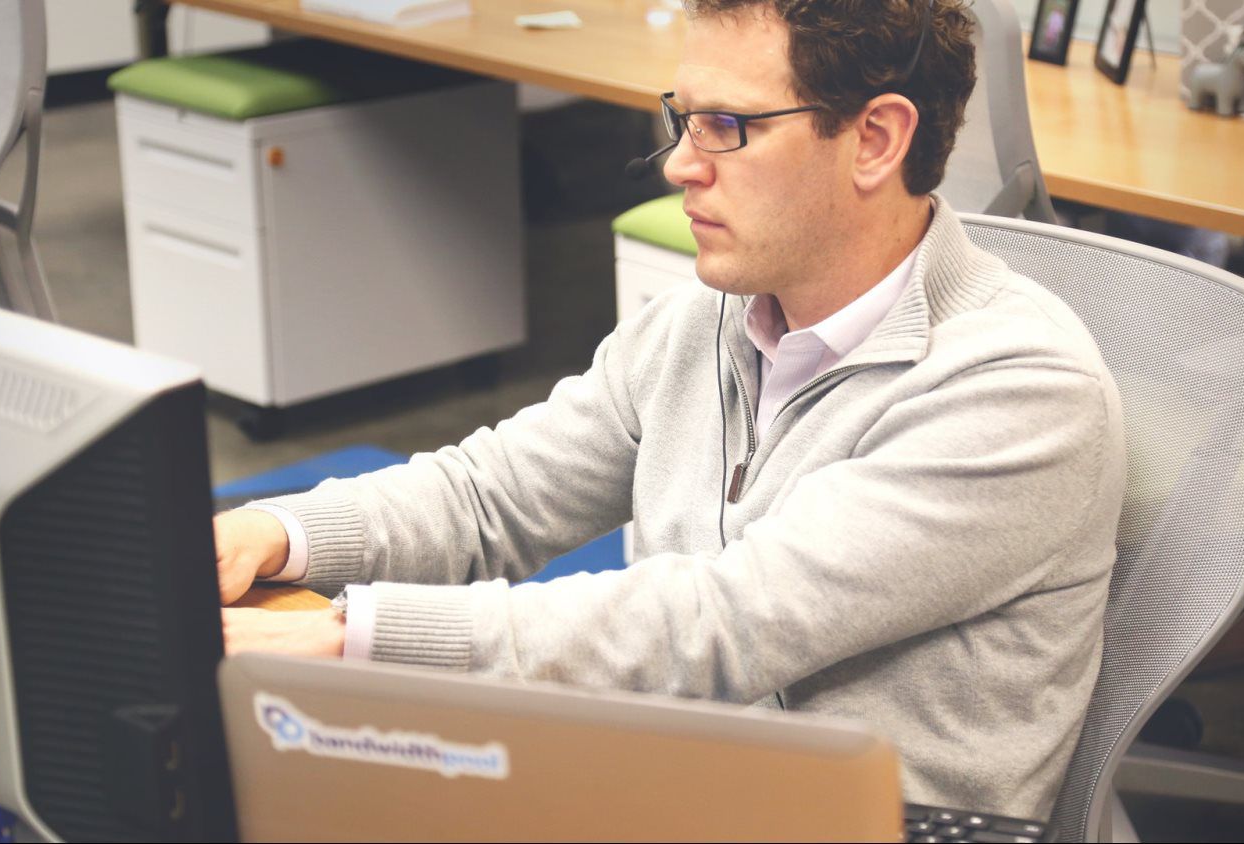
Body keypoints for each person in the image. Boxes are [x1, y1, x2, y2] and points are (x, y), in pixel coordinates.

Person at [215, 0, 1126, 819]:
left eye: (727, 126)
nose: (680, 166)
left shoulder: (1018, 387)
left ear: (878, 140)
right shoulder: (714, 317)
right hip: (678, 765)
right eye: (682, 119)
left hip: (871, 816)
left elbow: (720, 623)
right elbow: (494, 495)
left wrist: (346, 635)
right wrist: (273, 531)